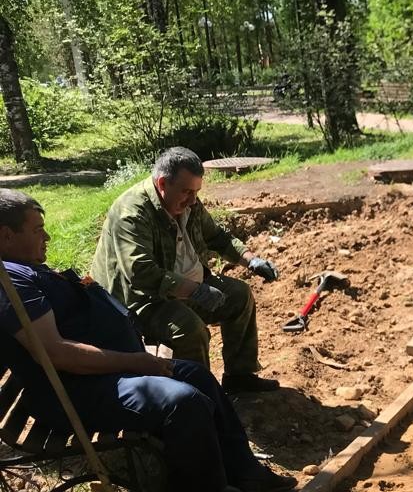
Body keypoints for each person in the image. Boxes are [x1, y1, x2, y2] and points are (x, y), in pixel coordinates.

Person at [0, 189, 296, 492]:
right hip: (75, 392)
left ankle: (242, 471)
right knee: (183, 402)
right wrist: (135, 360)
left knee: (198, 376)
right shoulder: (10, 284)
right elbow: (56, 354)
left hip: (103, 374)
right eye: (37, 230)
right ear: (6, 236)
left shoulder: (25, 269)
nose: (46, 237)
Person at [92, 147, 281, 394]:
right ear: (162, 183)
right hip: (140, 301)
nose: (193, 200)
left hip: (187, 287)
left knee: (239, 296)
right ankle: (199, 396)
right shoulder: (132, 213)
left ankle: (240, 375)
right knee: (191, 330)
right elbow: (140, 273)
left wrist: (250, 260)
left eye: (196, 192)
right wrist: (196, 291)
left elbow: (217, 237)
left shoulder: (186, 203)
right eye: (187, 192)